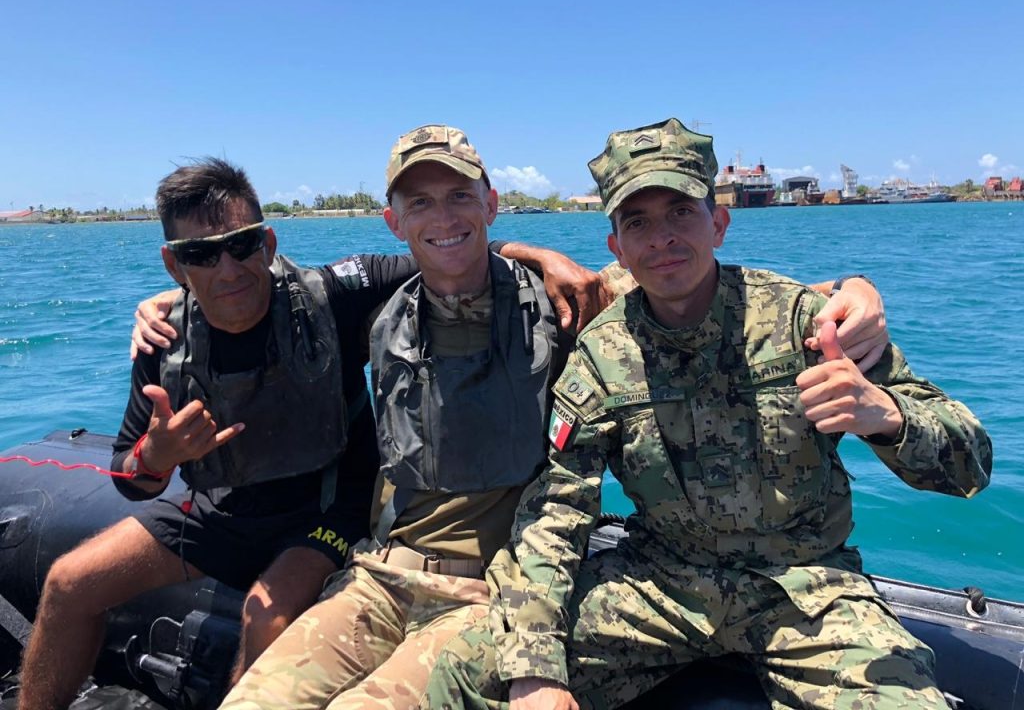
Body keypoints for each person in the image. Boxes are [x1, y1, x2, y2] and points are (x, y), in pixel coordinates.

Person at [218, 124, 893, 710]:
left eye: (460, 196)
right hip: (377, 577)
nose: (443, 216)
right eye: (419, 202)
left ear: (491, 203)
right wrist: (174, 305)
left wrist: (853, 291)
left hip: (488, 590)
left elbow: (691, 280)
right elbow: (253, 296)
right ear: (394, 221)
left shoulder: (562, 302)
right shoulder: (377, 308)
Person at [423, 119, 993, 710]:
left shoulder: (805, 322)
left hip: (808, 586)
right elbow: (556, 511)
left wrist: (888, 417)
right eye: (637, 222)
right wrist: (534, 668)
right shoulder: (603, 354)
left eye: (680, 212)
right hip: (661, 583)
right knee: (471, 672)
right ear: (617, 248)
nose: (661, 238)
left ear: (718, 224)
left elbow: (971, 465)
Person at [19, 156, 604, 710]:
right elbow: (130, 477)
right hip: (221, 511)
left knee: (264, 613)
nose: (228, 269)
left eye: (241, 245)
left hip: (325, 510)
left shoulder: (331, 297)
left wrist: (540, 256)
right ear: (175, 265)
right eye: (202, 254)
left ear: (268, 244)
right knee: (69, 582)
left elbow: (446, 251)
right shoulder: (165, 338)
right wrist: (157, 454)